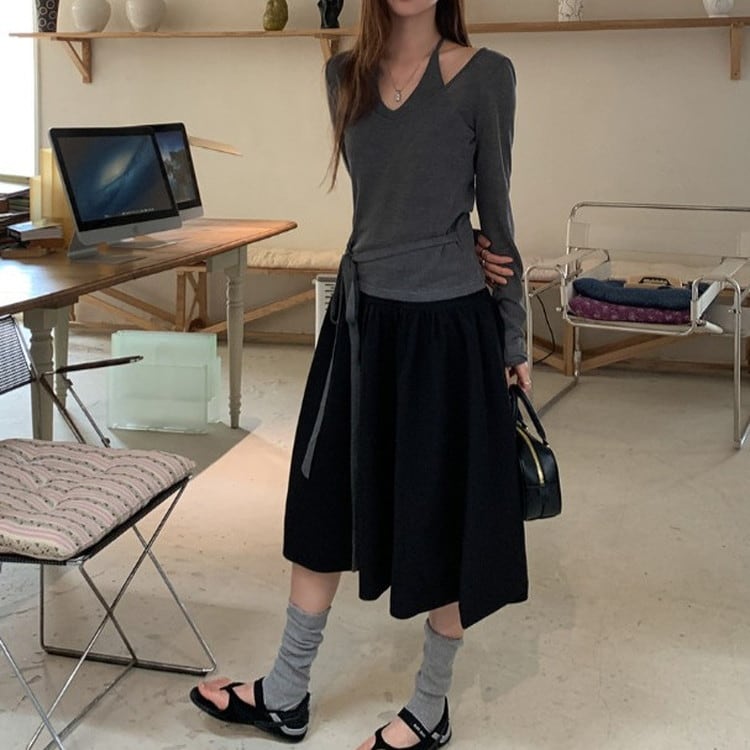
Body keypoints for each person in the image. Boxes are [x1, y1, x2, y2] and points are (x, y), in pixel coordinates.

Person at [190, 1, 530, 747]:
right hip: (359, 321)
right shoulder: (342, 76)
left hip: (448, 331)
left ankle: (430, 707)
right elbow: (387, 200)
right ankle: (285, 693)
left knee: (443, 519)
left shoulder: (487, 77)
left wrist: (513, 341)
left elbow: (497, 214)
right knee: (321, 502)